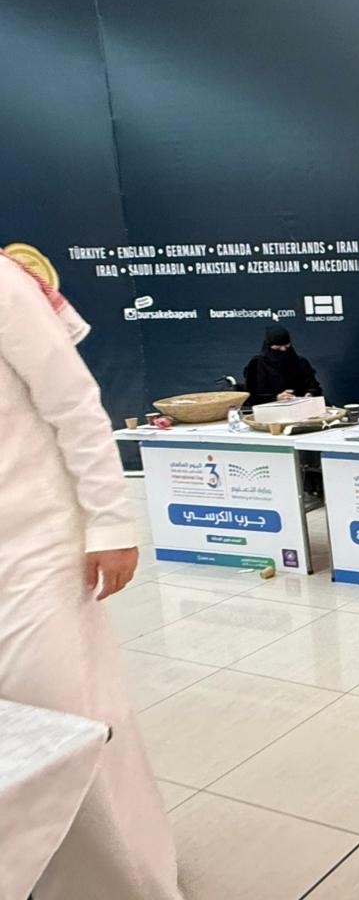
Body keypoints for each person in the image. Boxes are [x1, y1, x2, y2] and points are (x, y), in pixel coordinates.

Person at [0, 254, 182, 899]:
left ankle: (125, 882)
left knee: (67, 719)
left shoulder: (4, 285)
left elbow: (74, 405)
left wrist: (109, 523)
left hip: (35, 546)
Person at [242, 324, 322, 407]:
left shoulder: (300, 362)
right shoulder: (256, 364)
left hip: (300, 408)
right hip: (269, 410)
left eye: (286, 346)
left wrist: (310, 394)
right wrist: (276, 398)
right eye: (278, 347)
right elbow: (251, 397)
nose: (283, 349)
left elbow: (314, 387)